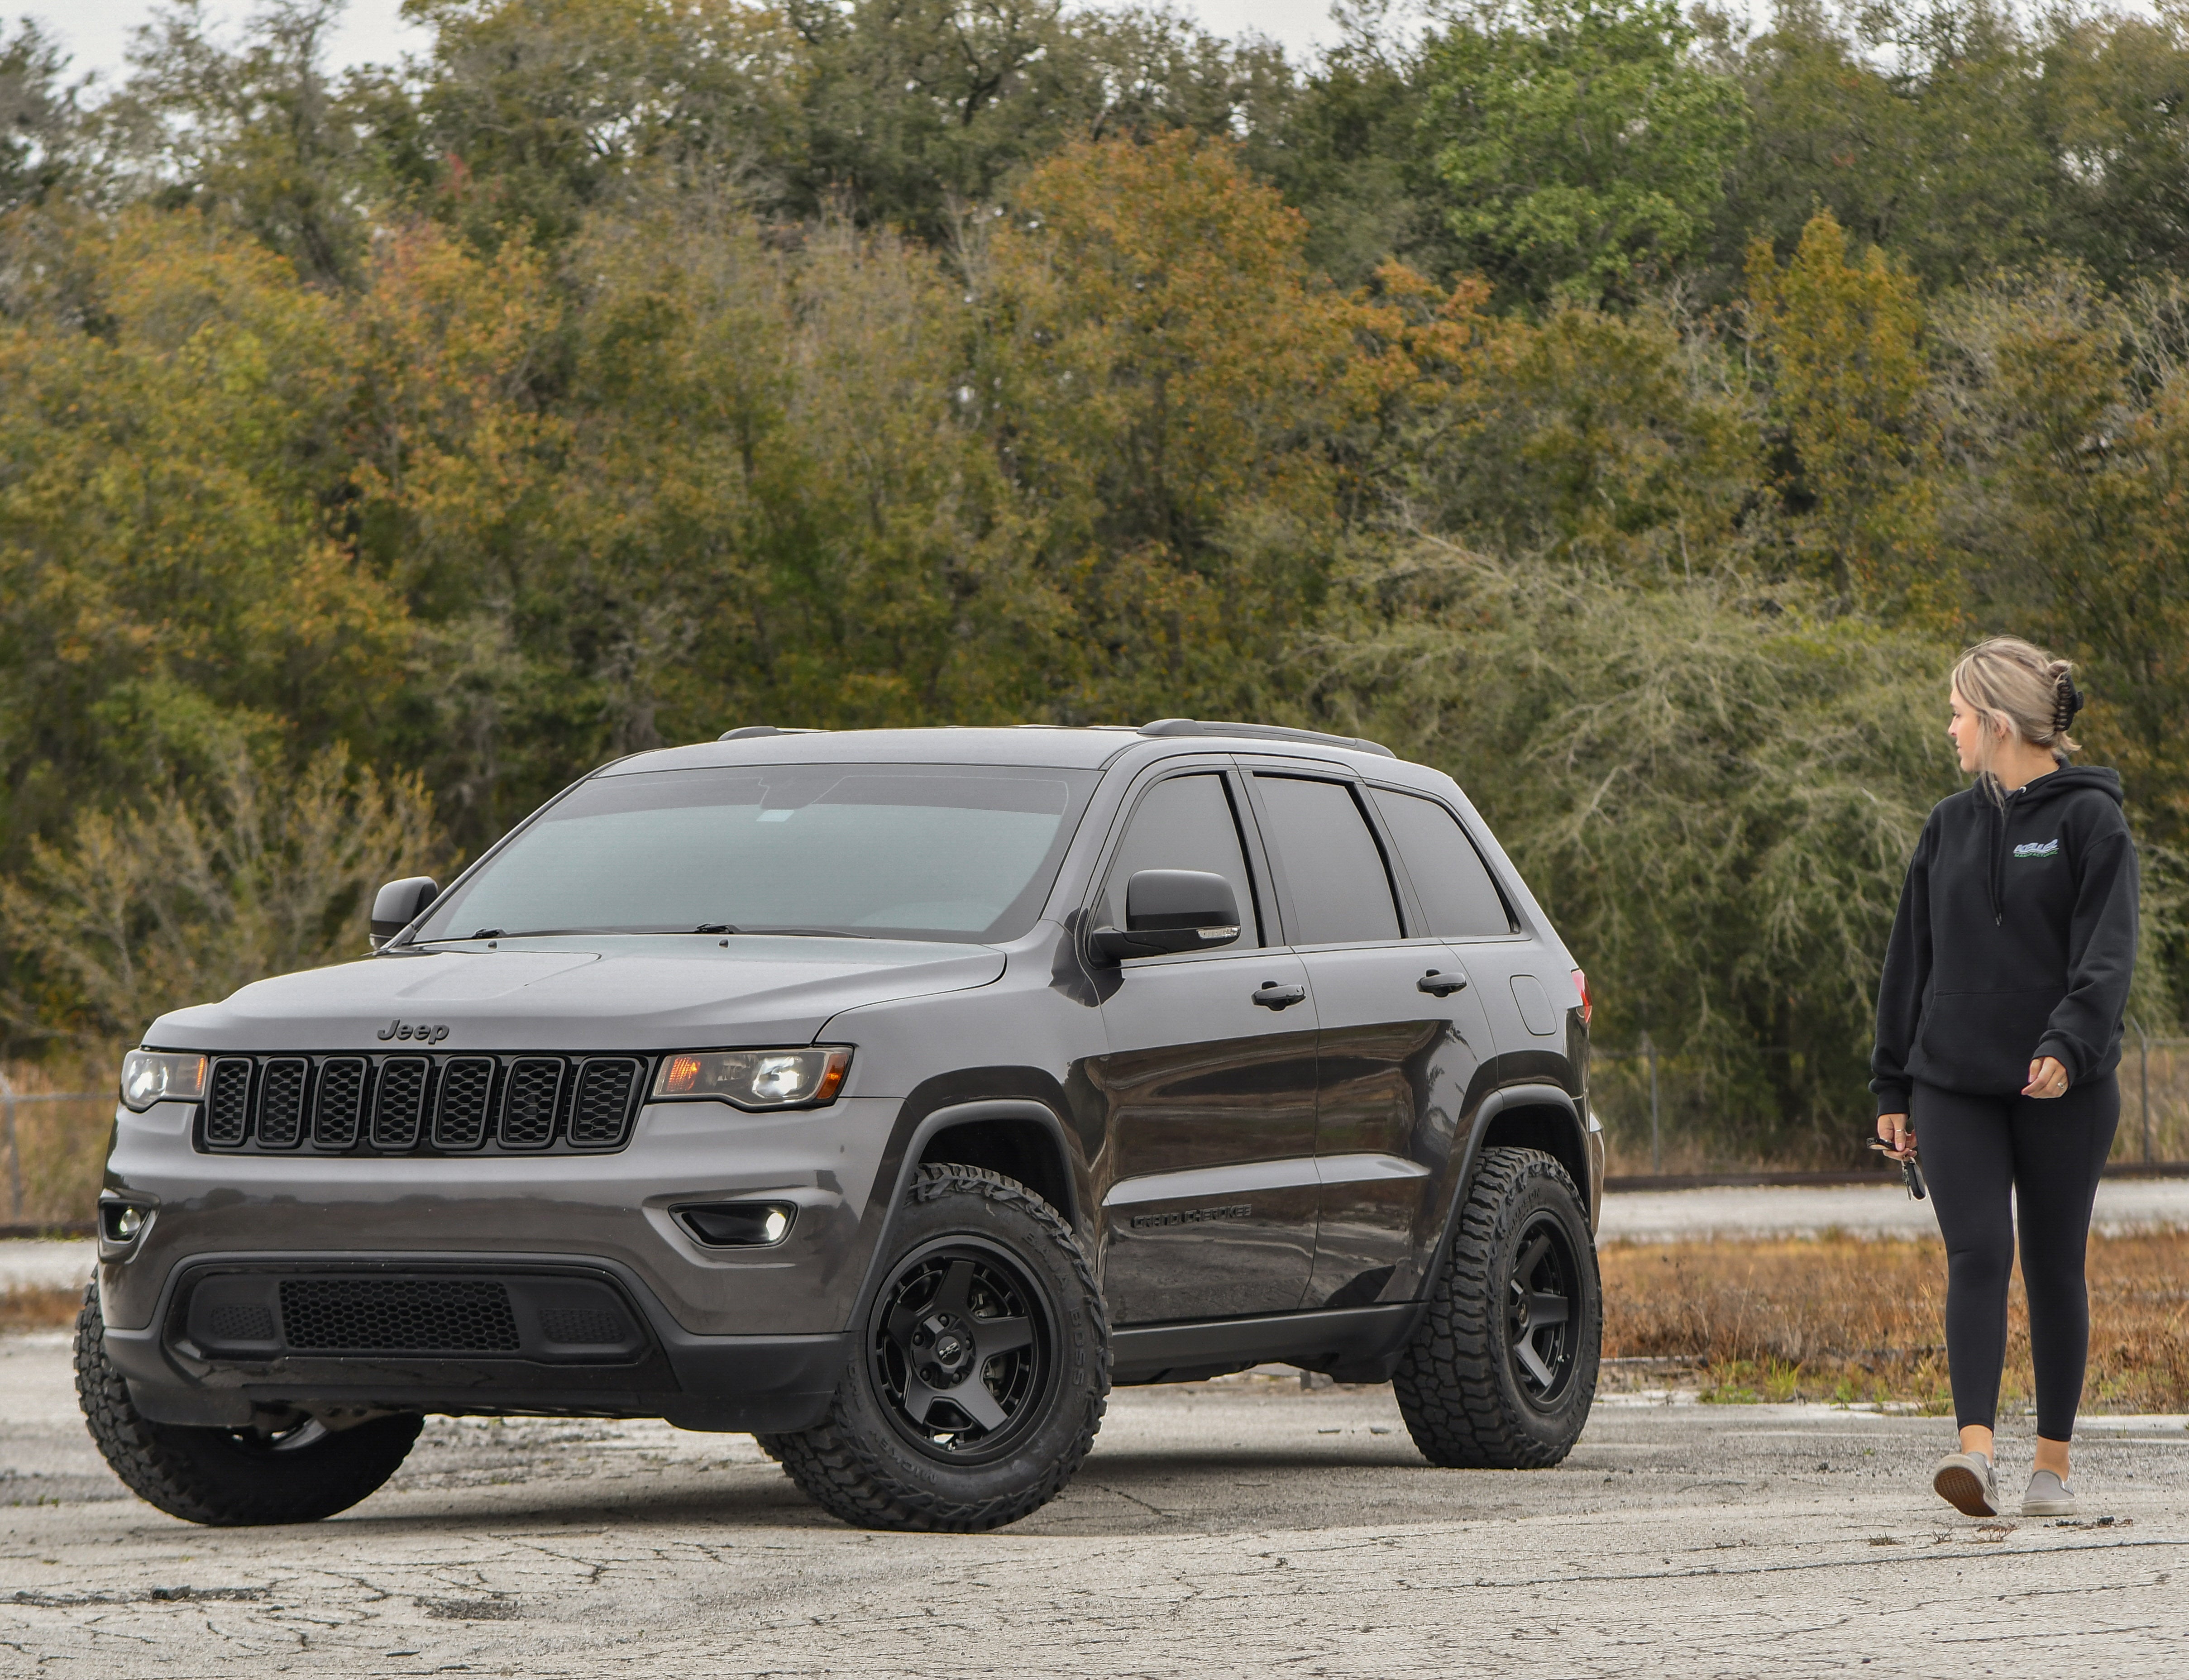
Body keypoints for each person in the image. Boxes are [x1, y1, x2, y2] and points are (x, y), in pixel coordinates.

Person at [1872, 636, 2138, 1520]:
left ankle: (2051, 1469)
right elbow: (1909, 958)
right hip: (1954, 1080)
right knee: (1978, 1251)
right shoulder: (1948, 825)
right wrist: (1892, 1086)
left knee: (2056, 1263)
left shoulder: (2092, 821)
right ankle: (1976, 1454)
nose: (1948, 730)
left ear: (1994, 723)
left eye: (1956, 713)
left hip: (2064, 1084)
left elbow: (2105, 958)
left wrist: (2067, 1044)